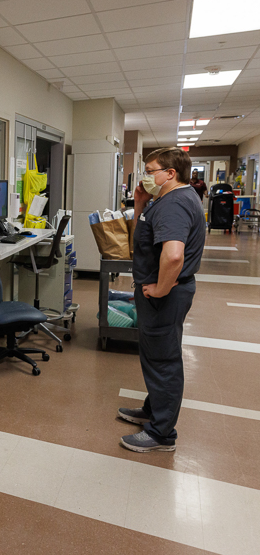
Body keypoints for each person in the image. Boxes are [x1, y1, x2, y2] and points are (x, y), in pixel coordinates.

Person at [117, 147, 205, 453]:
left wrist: (160, 290)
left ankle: (161, 433)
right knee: (157, 355)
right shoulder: (169, 199)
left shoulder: (174, 203)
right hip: (164, 290)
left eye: (151, 170)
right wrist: (141, 204)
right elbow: (146, 238)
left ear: (171, 173)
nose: (145, 176)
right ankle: (153, 411)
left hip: (166, 294)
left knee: (164, 361)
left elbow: (173, 255)